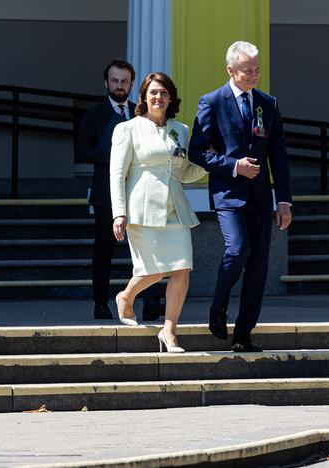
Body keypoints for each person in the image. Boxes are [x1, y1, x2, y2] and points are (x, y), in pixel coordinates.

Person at [188, 41, 292, 353]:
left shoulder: (267, 104)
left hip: (260, 197)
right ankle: (218, 307)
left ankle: (244, 334)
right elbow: (197, 151)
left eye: (258, 69)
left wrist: (284, 200)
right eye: (248, 70)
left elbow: (279, 155)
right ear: (231, 71)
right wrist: (233, 166)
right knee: (238, 248)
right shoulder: (212, 102)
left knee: (258, 266)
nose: (254, 75)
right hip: (228, 194)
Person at [109, 72, 207, 353]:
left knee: (182, 269)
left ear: (171, 97)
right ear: (143, 97)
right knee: (156, 269)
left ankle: (170, 331)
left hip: (175, 208)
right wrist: (119, 213)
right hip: (141, 209)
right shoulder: (128, 129)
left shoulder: (181, 129)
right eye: (153, 92)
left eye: (164, 92)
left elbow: (186, 174)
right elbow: (117, 174)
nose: (158, 97)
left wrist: (208, 162)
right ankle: (126, 297)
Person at [76, 59, 166, 321]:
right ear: (106, 83)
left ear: (132, 83)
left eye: (124, 81)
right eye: (114, 81)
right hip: (107, 194)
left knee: (148, 248)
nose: (119, 86)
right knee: (104, 248)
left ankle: (151, 303)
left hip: (141, 191)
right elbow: (82, 151)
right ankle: (100, 303)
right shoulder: (94, 115)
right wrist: (118, 154)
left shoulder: (141, 112)